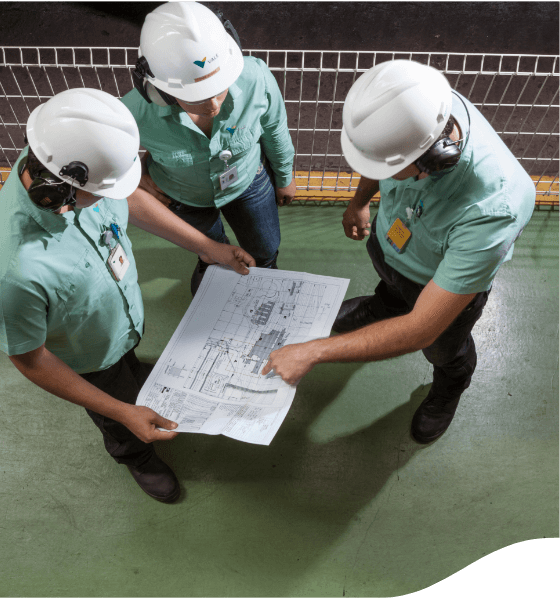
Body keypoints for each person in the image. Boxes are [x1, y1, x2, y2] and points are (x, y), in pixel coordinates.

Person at [0, 88, 255, 503]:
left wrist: (205, 247)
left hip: (122, 323)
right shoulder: (16, 271)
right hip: (89, 357)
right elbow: (31, 359)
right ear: (56, 191)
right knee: (117, 407)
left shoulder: (61, 163)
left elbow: (128, 197)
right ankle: (135, 455)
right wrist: (121, 412)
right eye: (103, 191)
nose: (113, 196)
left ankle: (132, 387)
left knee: (132, 373)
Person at [262, 60, 536, 444]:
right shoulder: (419, 108)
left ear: (434, 157)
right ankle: (384, 306)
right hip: (394, 249)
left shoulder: (495, 205)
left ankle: (451, 385)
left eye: (389, 168)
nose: (379, 173)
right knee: (390, 289)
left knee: (443, 348)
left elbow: (422, 327)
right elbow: (383, 156)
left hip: (438, 286)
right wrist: (360, 201)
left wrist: (314, 352)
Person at [121, 0, 296, 296]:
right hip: (181, 197)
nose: (213, 105)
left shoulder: (255, 77)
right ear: (158, 89)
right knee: (209, 245)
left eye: (219, 88)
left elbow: (275, 128)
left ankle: (264, 268)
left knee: (265, 247)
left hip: (248, 182)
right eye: (196, 96)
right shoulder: (132, 112)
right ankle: (212, 263)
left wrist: (285, 176)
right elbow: (110, 161)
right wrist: (136, 175)